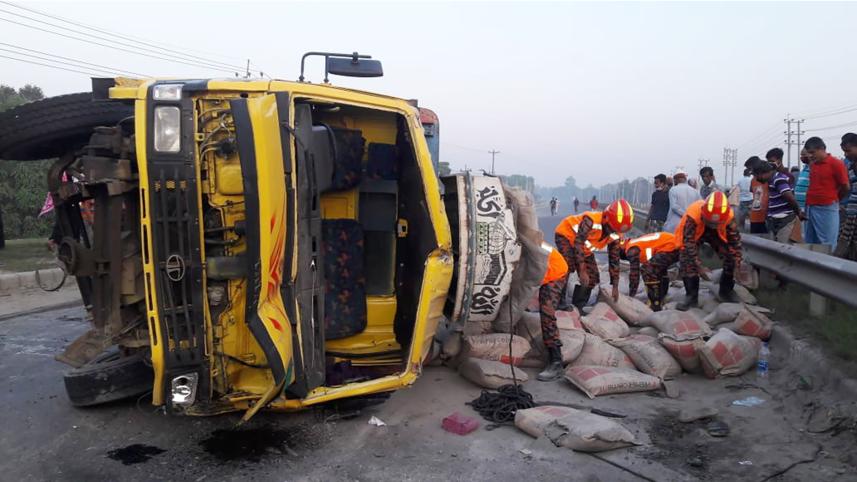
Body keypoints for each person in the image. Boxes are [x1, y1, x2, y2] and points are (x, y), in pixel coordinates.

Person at [554, 199, 634, 311]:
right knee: (567, 267)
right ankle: (559, 302)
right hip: (566, 236)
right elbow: (578, 243)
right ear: (606, 218)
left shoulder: (616, 233)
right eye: (611, 228)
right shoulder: (591, 221)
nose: (611, 232)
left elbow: (614, 259)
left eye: (615, 231)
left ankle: (578, 306)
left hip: (584, 249)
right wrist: (582, 270)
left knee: (593, 277)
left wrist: (615, 286)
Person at [671, 192, 743, 309]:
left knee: (731, 257)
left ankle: (726, 291)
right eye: (710, 222)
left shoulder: (729, 217)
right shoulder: (693, 215)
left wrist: (737, 264)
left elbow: (735, 243)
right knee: (687, 258)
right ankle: (691, 297)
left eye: (715, 223)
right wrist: (698, 266)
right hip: (697, 233)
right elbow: (688, 243)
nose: (712, 225)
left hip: (716, 235)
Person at [804, 137, 850, 248]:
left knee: (827, 243)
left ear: (821, 149)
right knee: (811, 242)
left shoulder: (836, 163)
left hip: (827, 207)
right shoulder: (813, 164)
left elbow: (845, 186)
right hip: (811, 207)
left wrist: (835, 199)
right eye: (809, 153)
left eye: (812, 152)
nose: (810, 156)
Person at [536, 243, 570, 381]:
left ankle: (556, 362)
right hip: (545, 270)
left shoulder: (527, 242)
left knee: (547, 314)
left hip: (555, 272)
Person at [751, 161, 805, 243]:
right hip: (776, 219)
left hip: (785, 219)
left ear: (763, 173)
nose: (757, 179)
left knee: (783, 246)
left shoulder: (778, 179)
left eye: (757, 176)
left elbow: (789, 197)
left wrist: (799, 212)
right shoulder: (771, 180)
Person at [621, 232, 676, 311]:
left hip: (670, 245)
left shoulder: (631, 250)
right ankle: (662, 297)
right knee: (658, 270)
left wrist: (631, 296)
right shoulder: (635, 243)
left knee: (646, 270)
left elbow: (634, 275)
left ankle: (655, 304)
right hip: (673, 243)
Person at [835, 133, 857, 260]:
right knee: (845, 251)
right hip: (851, 215)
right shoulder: (849, 166)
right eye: (844, 151)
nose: (846, 154)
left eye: (848, 151)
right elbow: (846, 187)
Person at [746, 156, 769, 234]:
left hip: (766, 217)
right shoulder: (753, 180)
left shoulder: (768, 178)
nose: (750, 172)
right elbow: (753, 193)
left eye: (750, 169)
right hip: (754, 217)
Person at [736, 166, 754, 231]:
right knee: (751, 213)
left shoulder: (740, 180)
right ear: (749, 174)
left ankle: (742, 227)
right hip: (751, 199)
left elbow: (737, 188)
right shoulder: (751, 180)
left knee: (742, 214)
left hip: (742, 199)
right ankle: (752, 227)